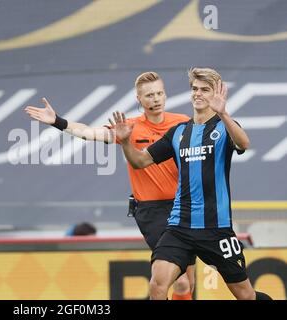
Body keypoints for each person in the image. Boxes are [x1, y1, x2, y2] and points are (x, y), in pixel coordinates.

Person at [25, 72, 195, 300]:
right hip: (152, 211)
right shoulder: (129, 127)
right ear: (139, 99)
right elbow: (89, 133)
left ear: (165, 95)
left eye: (159, 93)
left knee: (187, 284)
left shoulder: (183, 122)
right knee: (177, 280)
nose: (155, 99)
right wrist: (57, 121)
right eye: (149, 95)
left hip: (184, 207)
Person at [112, 67, 272, 300]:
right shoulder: (178, 132)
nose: (198, 94)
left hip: (216, 229)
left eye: (205, 90)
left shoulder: (223, 127)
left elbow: (244, 143)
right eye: (194, 89)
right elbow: (140, 161)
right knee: (157, 285)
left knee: (246, 296)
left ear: (216, 93)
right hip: (179, 226)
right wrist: (126, 142)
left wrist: (224, 114)